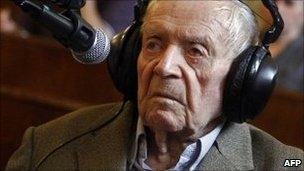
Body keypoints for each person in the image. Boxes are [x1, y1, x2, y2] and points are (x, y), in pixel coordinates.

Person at [5, 0, 303, 170]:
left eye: (195, 51)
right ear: (131, 53)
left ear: (245, 77)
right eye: (153, 44)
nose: (164, 66)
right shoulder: (46, 147)